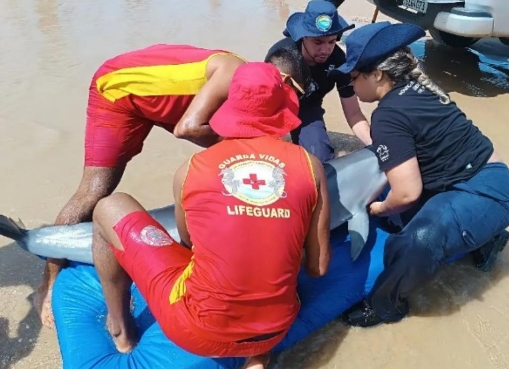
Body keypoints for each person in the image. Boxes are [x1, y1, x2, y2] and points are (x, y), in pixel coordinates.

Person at [37, 43, 313, 329]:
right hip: (118, 89)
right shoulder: (233, 72)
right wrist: (238, 153)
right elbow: (188, 128)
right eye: (296, 95)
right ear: (285, 81)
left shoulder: (249, 88)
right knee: (94, 191)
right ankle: (49, 282)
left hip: (165, 104)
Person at [91, 62, 332, 369]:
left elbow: (188, 242)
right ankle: (257, 357)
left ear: (228, 106)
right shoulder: (311, 166)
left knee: (109, 204)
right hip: (277, 327)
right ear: (282, 109)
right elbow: (319, 267)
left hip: (197, 331)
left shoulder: (191, 169)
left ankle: (121, 329)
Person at [334, 22, 509, 328]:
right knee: (402, 217)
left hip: (482, 193)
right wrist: (350, 106)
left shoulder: (389, 114)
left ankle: (385, 305)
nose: (351, 86)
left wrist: (379, 207)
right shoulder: (417, 89)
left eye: (353, 78)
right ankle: (480, 235)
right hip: (489, 179)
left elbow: (406, 193)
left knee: (415, 240)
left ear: (378, 74)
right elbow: (380, 143)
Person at [266, 0, 372, 162]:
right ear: (304, 38)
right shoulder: (281, 56)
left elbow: (353, 113)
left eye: (331, 42)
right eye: (318, 42)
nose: (325, 50)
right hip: (275, 108)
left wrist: (375, 144)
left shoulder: (338, 61)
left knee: (321, 159)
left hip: (308, 108)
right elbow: (262, 100)